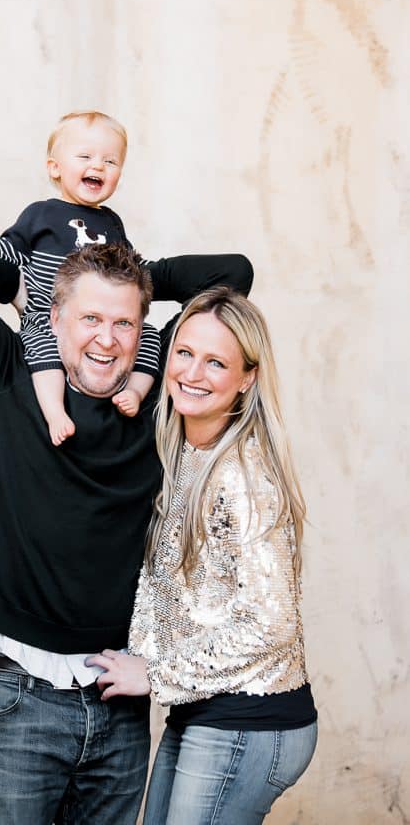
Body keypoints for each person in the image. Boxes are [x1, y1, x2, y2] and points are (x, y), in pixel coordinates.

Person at [0, 241, 253, 824]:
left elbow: (234, 274)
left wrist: (128, 276)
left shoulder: (153, 396)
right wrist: (39, 270)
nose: (107, 338)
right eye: (89, 318)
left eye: (125, 322)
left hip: (118, 694)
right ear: (52, 318)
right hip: (16, 692)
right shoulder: (3, 369)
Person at [87, 287, 318, 825]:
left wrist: (156, 673)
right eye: (184, 353)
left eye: (217, 362)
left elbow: (271, 624)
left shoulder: (242, 474)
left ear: (248, 378)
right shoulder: (183, 452)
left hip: (250, 718)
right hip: (204, 708)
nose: (192, 372)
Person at [0, 110, 159, 445]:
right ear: (55, 167)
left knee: (149, 336)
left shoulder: (112, 223)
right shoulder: (42, 214)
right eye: (85, 157)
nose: (98, 166)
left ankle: (136, 394)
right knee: (41, 347)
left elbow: (128, 271)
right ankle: (54, 411)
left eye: (110, 161)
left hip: (96, 324)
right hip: (47, 317)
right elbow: (7, 249)